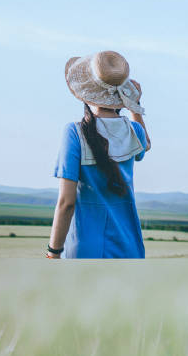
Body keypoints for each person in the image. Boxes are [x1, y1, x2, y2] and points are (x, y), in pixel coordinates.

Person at [48, 50, 150, 260]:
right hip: (130, 248)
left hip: (85, 251)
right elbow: (146, 145)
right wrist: (135, 106)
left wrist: (53, 252)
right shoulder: (134, 131)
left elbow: (66, 202)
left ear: (86, 91)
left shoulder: (74, 133)